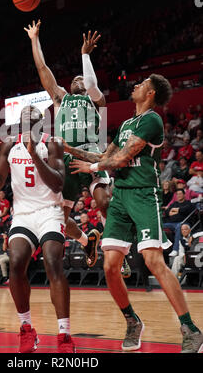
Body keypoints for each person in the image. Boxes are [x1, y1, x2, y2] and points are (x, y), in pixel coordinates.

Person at [65, 74, 203, 353]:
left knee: (154, 261)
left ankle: (190, 328)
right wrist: (71, 151)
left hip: (143, 193)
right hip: (120, 198)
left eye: (141, 84)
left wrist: (93, 168)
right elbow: (106, 154)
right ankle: (132, 321)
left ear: (150, 93)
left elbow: (122, 158)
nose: (135, 86)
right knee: (110, 267)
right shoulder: (127, 123)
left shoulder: (151, 120)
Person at [0, 105, 75, 353]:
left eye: (33, 116)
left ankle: (64, 334)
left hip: (49, 211)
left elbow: (58, 185)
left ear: (41, 122)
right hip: (23, 213)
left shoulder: (52, 143)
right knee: (16, 261)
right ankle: (26, 329)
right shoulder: (10, 145)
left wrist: (34, 155)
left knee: (53, 261)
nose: (28, 117)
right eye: (24, 116)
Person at [24, 20, 111, 267]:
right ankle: (87, 241)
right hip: (67, 161)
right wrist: (34, 39)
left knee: (104, 202)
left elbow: (93, 87)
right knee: (60, 219)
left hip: (91, 155)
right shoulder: (61, 98)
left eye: (81, 79)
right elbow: (42, 68)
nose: (76, 79)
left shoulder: (97, 101)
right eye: (74, 78)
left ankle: (118, 252)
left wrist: (85, 56)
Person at [164, 189, 195, 256]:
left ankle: (175, 250)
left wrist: (177, 210)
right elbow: (167, 212)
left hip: (184, 223)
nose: (179, 195)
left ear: (184, 195)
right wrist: (176, 211)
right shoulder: (174, 203)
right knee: (160, 226)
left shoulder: (188, 203)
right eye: (177, 194)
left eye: (180, 194)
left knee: (179, 226)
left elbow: (186, 209)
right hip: (171, 224)